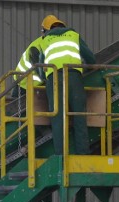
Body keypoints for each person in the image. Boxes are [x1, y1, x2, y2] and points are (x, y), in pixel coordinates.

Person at [38, 14, 95, 155]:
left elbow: (40, 69)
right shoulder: (73, 35)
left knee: (58, 119)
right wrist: (86, 67)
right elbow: (91, 59)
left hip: (54, 79)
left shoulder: (45, 41)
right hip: (75, 77)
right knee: (79, 116)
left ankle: (61, 156)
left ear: (46, 30)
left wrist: (44, 80)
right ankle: (83, 154)